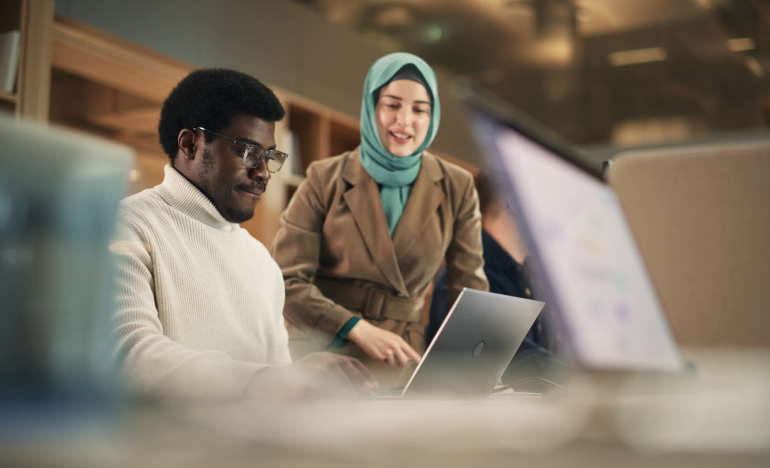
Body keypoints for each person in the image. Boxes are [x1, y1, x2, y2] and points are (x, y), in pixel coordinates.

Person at [110, 68, 377, 400]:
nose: (263, 172)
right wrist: (268, 380)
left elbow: (276, 384)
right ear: (190, 144)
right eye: (248, 152)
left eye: (269, 156)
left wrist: (307, 387)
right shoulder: (126, 226)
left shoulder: (261, 261)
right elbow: (130, 355)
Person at [272, 53, 488, 384]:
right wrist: (355, 327)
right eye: (392, 105)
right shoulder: (324, 177)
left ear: (433, 117)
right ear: (372, 107)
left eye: (419, 110)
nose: (404, 121)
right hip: (321, 350)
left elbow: (469, 292)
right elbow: (285, 283)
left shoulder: (457, 186)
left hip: (401, 357)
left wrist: (480, 369)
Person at [427, 173, 564, 388]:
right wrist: (578, 379)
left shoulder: (527, 280)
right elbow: (510, 359)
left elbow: (551, 354)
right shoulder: (468, 272)